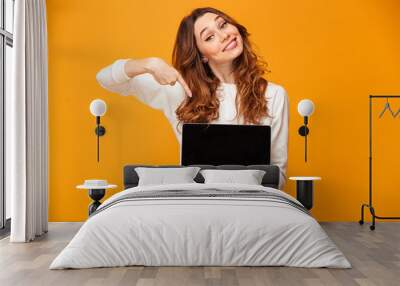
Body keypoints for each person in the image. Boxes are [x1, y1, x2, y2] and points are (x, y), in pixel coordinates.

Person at [96, 7, 289, 190]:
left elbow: (277, 171)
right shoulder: (179, 90)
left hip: (253, 201)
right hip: (196, 199)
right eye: (210, 37)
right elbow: (105, 78)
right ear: (202, 55)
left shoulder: (274, 95)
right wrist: (149, 64)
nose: (224, 35)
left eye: (223, 25)